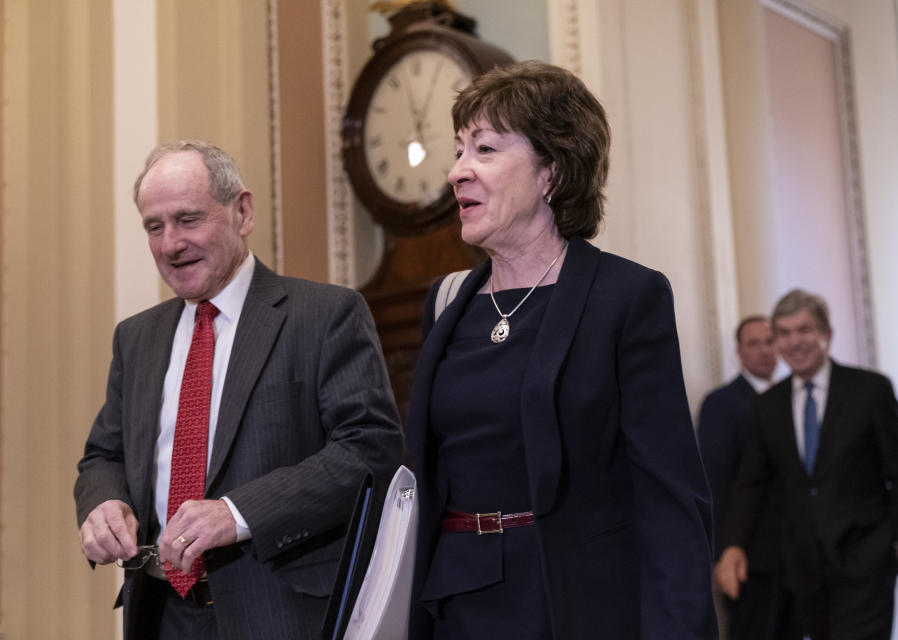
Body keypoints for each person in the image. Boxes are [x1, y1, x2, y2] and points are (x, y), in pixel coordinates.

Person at [404, 61, 717, 639]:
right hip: (455, 605)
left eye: (485, 149)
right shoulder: (446, 303)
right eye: (457, 151)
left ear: (551, 169)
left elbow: (669, 497)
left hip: (571, 605)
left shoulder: (626, 297)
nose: (456, 172)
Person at [74, 141, 403, 639]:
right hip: (159, 614)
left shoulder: (324, 315)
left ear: (242, 212)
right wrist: (102, 504)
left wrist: (238, 513)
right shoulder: (136, 337)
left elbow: (368, 451)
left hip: (278, 613)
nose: (170, 244)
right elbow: (103, 456)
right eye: (154, 226)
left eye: (188, 219)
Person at [715, 289, 898, 640]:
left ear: (827, 334)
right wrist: (733, 545)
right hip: (802, 568)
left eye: (804, 330)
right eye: (784, 333)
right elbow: (752, 483)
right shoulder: (767, 407)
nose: (795, 342)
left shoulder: (870, 390)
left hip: (866, 560)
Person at [698, 316, 800, 640]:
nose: (764, 351)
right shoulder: (721, 403)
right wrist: (717, 555)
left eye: (769, 342)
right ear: (738, 353)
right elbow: (713, 481)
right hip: (747, 559)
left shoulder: (792, 398)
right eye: (753, 344)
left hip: (796, 557)